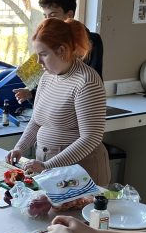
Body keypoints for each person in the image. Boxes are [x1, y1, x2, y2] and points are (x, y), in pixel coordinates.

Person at [6, 17, 110, 186]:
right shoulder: (47, 77)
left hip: (81, 174)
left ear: (62, 51)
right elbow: (36, 120)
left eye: (43, 54)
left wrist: (47, 165)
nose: (38, 61)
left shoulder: (86, 81)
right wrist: (19, 148)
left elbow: (91, 137)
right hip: (50, 169)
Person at [14, 0, 104, 105]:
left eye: (53, 15)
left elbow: (92, 84)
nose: (47, 21)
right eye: (45, 16)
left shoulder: (90, 41)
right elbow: (47, 78)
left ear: (69, 15)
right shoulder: (47, 42)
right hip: (51, 106)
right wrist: (31, 92)